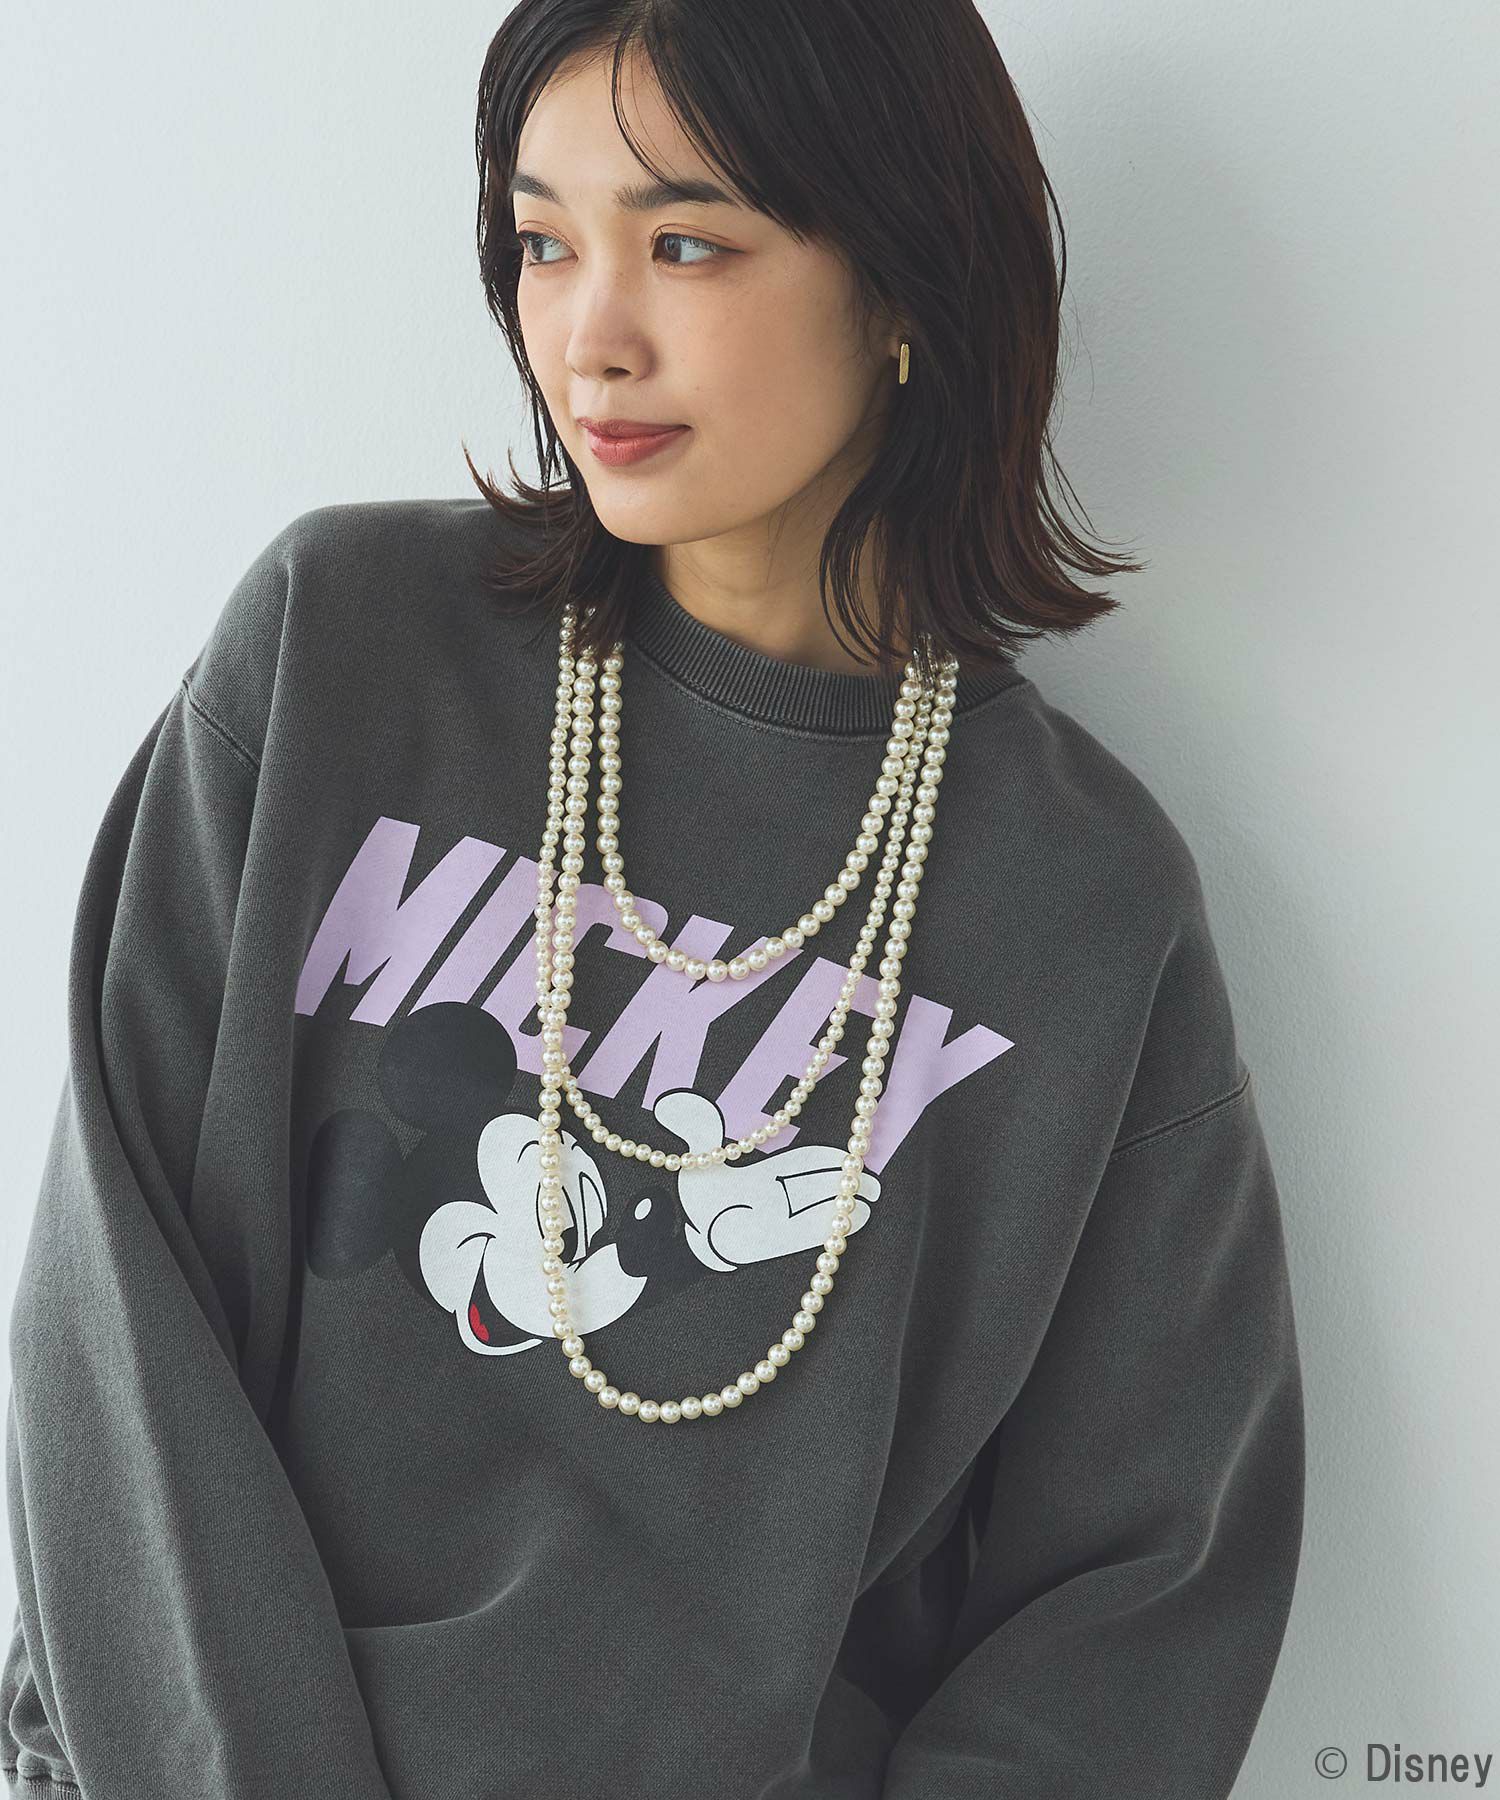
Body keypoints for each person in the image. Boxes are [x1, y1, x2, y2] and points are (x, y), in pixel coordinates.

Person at [2, 2, 1304, 1797]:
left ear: (908, 281)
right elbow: (115, 1324)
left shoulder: (1079, 902)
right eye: (543, 244)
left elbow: (1147, 1588)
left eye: (687, 245)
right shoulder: (341, 653)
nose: (588, 336)